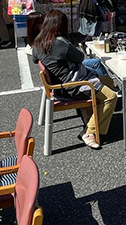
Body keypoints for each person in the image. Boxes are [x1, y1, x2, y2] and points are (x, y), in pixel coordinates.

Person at [32, 11, 116, 150]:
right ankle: (90, 131)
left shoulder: (37, 43)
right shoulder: (61, 43)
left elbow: (35, 59)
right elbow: (80, 58)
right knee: (111, 97)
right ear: (61, 26)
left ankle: (94, 115)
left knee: (108, 81)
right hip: (74, 86)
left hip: (59, 85)